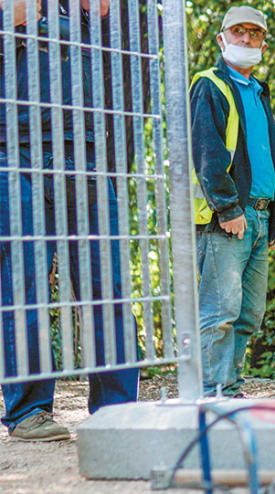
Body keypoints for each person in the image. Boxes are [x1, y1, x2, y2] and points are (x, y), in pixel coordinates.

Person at [1, 0, 140, 441]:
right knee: (25, 284)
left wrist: (101, 15)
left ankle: (116, 409)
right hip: (15, 150)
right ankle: (29, 412)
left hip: (86, 154)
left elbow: (125, 65)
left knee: (108, 283)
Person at [190, 6, 275, 398]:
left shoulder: (260, 92)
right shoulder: (210, 85)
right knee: (221, 311)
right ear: (221, 39)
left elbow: (274, 160)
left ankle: (229, 388)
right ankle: (214, 393)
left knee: (249, 314)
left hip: (260, 216)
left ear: (264, 43)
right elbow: (207, 152)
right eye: (238, 31)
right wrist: (228, 208)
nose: (246, 38)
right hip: (228, 218)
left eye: (255, 33)